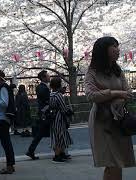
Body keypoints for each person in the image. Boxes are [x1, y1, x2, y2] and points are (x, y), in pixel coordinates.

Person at [85, 36, 135, 180]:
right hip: (103, 121)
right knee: (111, 161)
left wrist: (118, 96)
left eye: (117, 46)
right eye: (114, 46)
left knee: (118, 161)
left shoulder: (117, 70)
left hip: (119, 119)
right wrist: (116, 93)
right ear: (103, 50)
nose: (118, 50)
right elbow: (91, 95)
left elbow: (129, 93)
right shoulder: (92, 72)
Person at [26, 70, 51, 160]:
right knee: (44, 133)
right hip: (46, 113)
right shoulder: (43, 88)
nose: (49, 77)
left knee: (40, 134)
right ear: (43, 78)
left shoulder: (41, 87)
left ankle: (31, 150)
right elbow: (46, 101)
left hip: (43, 112)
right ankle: (60, 151)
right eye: (48, 76)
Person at [49, 77, 73, 163]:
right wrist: (70, 112)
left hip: (53, 117)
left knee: (57, 135)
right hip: (59, 118)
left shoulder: (51, 94)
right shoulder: (59, 95)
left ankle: (61, 153)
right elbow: (63, 108)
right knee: (60, 136)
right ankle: (57, 156)